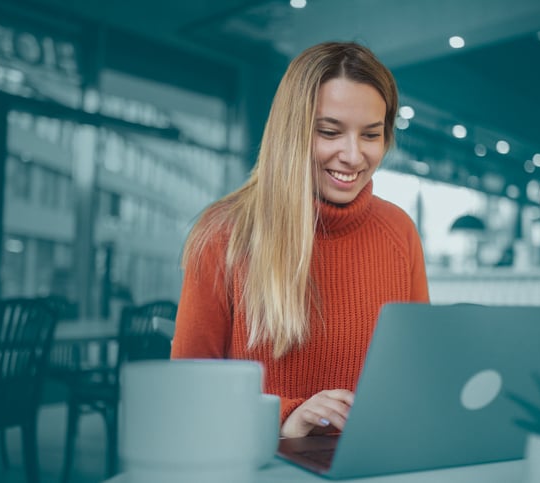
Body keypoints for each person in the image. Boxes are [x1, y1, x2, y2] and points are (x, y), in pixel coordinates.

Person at [171, 41, 429, 438]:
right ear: (292, 132)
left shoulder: (399, 232)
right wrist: (285, 419)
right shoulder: (224, 233)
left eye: (371, 135)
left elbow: (415, 374)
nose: (353, 155)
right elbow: (188, 394)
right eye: (330, 132)